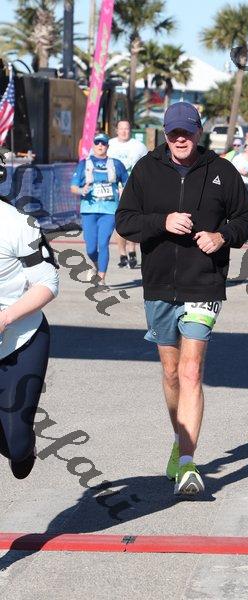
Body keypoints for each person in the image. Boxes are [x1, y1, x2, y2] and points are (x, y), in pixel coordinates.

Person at [116, 101, 248, 496]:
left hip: (203, 282)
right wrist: (161, 221)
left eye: (187, 132)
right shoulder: (146, 169)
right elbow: (124, 221)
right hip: (159, 284)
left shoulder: (221, 171)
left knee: (192, 371)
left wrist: (222, 236)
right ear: (165, 134)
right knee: (171, 372)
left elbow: (245, 218)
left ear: (198, 132)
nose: (180, 139)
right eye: (173, 133)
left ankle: (189, 463)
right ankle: (180, 440)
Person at [0, 179, 59, 479]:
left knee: (17, 447)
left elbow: (48, 283)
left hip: (20, 339)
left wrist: (5, 318)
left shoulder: (18, 223)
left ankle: (24, 444)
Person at [70, 133, 128, 287]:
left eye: (103, 143)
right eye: (97, 143)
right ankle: (96, 266)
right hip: (89, 210)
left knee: (103, 244)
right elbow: (73, 187)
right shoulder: (84, 164)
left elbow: (127, 183)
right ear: (93, 145)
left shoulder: (116, 164)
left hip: (109, 211)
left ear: (108, 146)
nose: (100, 146)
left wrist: (124, 193)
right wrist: (81, 190)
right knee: (90, 248)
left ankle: (101, 279)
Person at [108, 121, 148, 269]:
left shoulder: (139, 146)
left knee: (133, 220)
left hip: (134, 188)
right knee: (119, 222)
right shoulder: (109, 145)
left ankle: (132, 250)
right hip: (114, 190)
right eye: (121, 129)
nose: (124, 131)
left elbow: (148, 165)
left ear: (130, 130)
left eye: (127, 129)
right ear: (116, 130)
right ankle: (122, 254)